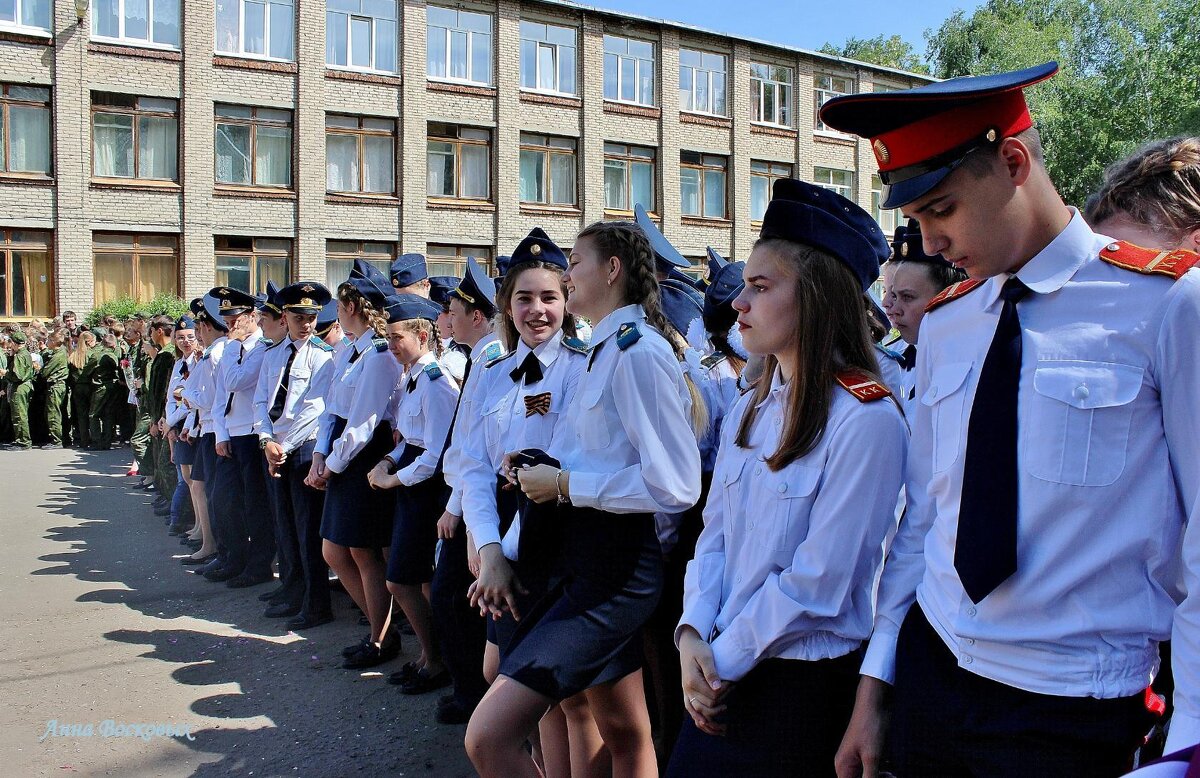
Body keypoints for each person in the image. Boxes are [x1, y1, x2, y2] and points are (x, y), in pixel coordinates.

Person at [821, 62, 1200, 777]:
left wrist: (1188, 743)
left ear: (1014, 162)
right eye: (915, 219)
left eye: (941, 209)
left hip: (1068, 706)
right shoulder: (947, 324)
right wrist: (877, 684)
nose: (929, 242)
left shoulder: (1166, 306)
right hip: (935, 672)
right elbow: (928, 521)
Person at [667, 178, 906, 777]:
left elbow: (818, 583)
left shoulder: (866, 418)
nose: (737, 304)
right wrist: (692, 630)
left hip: (796, 689)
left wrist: (718, 658)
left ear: (817, 298)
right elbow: (714, 533)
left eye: (760, 286)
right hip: (722, 665)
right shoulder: (754, 404)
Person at [465, 220, 702, 777]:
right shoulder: (606, 347)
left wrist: (567, 484)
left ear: (612, 269)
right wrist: (536, 474)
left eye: (574, 265)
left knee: (490, 736)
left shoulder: (635, 349)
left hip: (613, 570)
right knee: (621, 727)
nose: (567, 277)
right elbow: (590, 453)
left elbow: (677, 486)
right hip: (581, 555)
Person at [458, 229, 602, 777]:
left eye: (549, 297)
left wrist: (502, 554)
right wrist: (488, 547)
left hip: (562, 543)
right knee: (516, 676)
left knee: (572, 698)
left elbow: (573, 468)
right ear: (506, 304)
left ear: (567, 301)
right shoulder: (489, 370)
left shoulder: (585, 365)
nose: (537, 310)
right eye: (524, 298)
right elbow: (471, 464)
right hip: (507, 542)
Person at [308, 260, 402, 669]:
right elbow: (332, 409)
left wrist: (332, 463)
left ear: (352, 307)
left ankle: (381, 636)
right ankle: (379, 627)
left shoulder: (379, 354)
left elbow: (364, 421)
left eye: (342, 303)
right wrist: (319, 454)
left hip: (361, 454)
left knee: (362, 552)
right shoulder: (349, 349)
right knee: (335, 550)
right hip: (340, 452)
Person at [367, 293, 458, 695]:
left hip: (426, 492)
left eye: (396, 337)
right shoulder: (413, 376)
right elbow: (409, 438)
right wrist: (388, 460)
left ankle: (437, 659)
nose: (390, 345)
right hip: (409, 484)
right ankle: (428, 656)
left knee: (401, 580)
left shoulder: (438, 384)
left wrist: (395, 479)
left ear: (422, 335)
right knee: (414, 580)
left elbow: (437, 454)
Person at [433, 256, 504, 724]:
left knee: (454, 601)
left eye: (454, 311)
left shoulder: (492, 358)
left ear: (477, 316)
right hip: (466, 495)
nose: (447, 318)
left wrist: (457, 506)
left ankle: (473, 695)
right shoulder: (480, 356)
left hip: (477, 501)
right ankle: (470, 691)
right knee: (454, 600)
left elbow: (478, 444)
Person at [255, 282, 337, 630]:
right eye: (298, 316)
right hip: (275, 447)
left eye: (311, 317)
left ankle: (316, 603)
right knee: (284, 524)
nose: (305, 324)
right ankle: (292, 590)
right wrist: (265, 439)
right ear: (284, 316)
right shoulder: (273, 354)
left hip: (302, 448)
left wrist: (283, 449)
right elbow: (262, 400)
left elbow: (314, 409)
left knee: (307, 531)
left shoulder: (322, 355)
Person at [206, 288, 276, 589]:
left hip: (251, 434)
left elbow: (237, 380)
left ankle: (258, 564)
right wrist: (221, 434)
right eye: (227, 320)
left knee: (254, 504)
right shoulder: (230, 348)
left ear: (252, 317)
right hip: (232, 433)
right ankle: (232, 556)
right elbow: (221, 397)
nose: (230, 326)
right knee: (223, 501)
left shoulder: (260, 347)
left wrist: (231, 347)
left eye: (235, 319)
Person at [879, 220, 967, 413]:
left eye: (907, 297)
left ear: (946, 297)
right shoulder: (889, 359)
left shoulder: (974, 357)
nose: (890, 306)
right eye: (891, 293)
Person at [87, 329, 123, 451]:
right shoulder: (115, 355)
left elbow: (88, 371)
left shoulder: (97, 355)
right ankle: (107, 441)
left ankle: (97, 442)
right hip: (113, 386)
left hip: (100, 387)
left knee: (94, 415)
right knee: (108, 414)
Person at [1, 331, 34, 450]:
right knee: (20, 414)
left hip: (19, 387)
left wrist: (6, 373)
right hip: (24, 386)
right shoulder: (24, 353)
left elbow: (18, 375)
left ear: (14, 343)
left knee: (19, 415)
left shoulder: (20, 356)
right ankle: (20, 439)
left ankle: (23, 441)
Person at [38, 330, 68, 449]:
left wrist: (39, 368)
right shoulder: (60, 351)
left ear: (55, 342)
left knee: (53, 413)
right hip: (59, 385)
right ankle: (62, 438)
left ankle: (56, 440)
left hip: (56, 385)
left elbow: (45, 372)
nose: (47, 342)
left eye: (49, 340)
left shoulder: (58, 355)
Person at [67, 330, 96, 449]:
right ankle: (95, 439)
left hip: (77, 388)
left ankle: (84, 440)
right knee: (92, 414)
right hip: (90, 386)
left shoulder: (73, 355)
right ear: (89, 342)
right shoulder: (92, 354)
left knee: (81, 415)